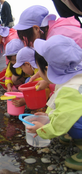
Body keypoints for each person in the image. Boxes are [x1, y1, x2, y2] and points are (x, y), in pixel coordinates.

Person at [27, 35, 82, 171]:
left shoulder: (71, 90)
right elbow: (58, 103)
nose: (38, 72)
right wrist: (48, 116)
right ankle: (71, 135)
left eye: (38, 68)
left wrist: (42, 130)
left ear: (47, 69)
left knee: (70, 121)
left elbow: (63, 119)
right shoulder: (72, 76)